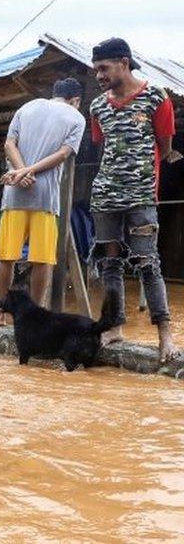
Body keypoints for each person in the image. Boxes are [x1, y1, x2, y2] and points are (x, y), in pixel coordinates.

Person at [88, 37, 180, 362]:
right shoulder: (97, 106)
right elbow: (103, 146)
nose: (98, 75)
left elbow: (165, 145)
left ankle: (165, 336)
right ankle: (114, 326)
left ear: (124, 63)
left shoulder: (156, 97)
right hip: (105, 197)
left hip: (142, 197)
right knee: (109, 264)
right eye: (96, 69)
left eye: (104, 68)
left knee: (148, 264)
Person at [0, 78, 87, 326]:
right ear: (75, 100)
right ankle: (35, 316)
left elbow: (9, 144)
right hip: (45, 198)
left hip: (14, 195)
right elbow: (63, 154)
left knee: (6, 257)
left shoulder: (26, 107)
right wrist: (29, 171)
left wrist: (20, 171)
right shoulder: (76, 117)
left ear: (54, 93)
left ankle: (2, 314)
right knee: (42, 260)